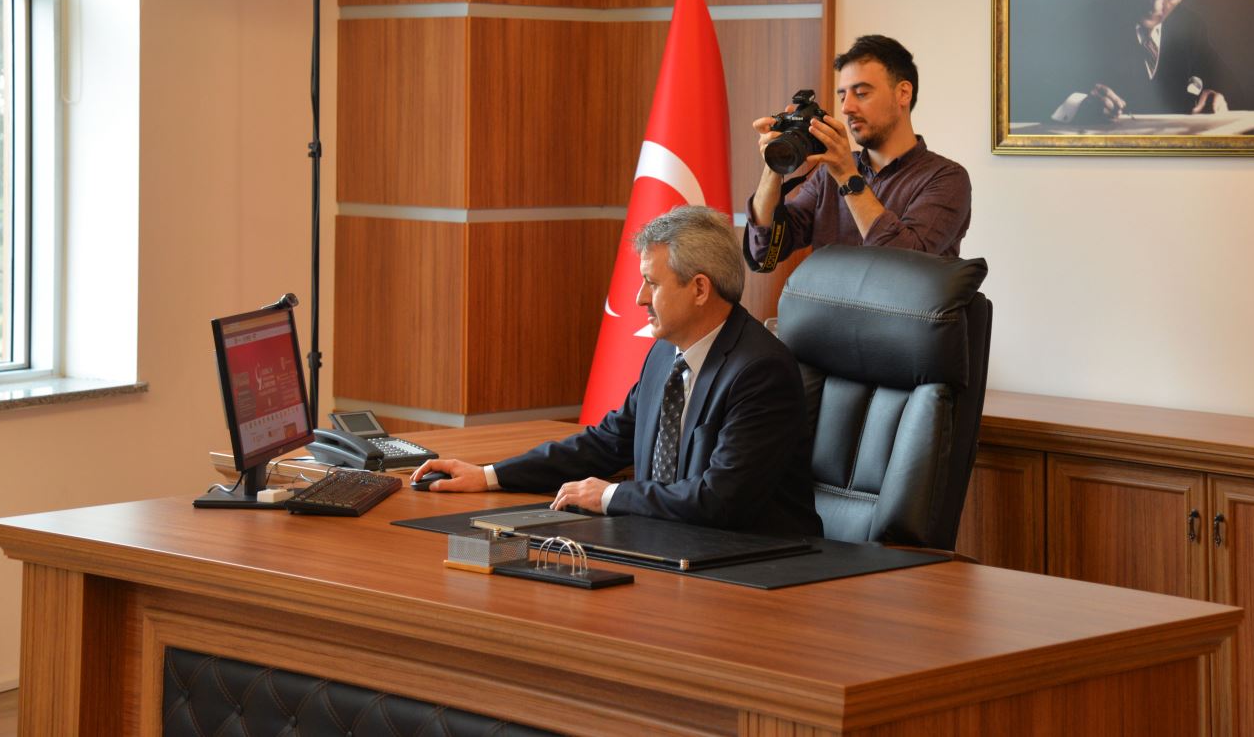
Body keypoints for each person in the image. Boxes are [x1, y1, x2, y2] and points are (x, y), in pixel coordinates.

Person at [411, 205, 822, 539]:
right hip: (671, 541)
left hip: (758, 564)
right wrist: (489, 476)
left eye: (652, 284)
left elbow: (720, 500)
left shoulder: (760, 371)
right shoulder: (665, 353)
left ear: (700, 288)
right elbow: (607, 443)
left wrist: (610, 495)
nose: (640, 298)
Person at [744, 34, 970, 268]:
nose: (846, 108)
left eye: (861, 93)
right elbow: (765, 250)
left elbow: (903, 265)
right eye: (843, 96)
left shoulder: (947, 178)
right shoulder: (827, 175)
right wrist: (775, 162)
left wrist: (847, 176)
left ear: (903, 93)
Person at [1045, 0, 1236, 123]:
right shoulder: (1084, 26)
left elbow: (1228, 89)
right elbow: (1038, 95)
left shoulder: (1191, 27)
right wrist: (1080, 105)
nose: (1156, 4)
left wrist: (1217, 98)